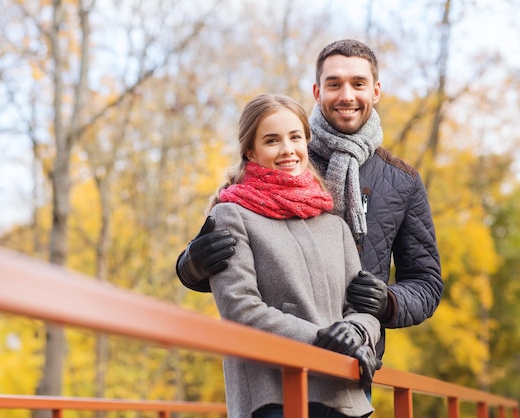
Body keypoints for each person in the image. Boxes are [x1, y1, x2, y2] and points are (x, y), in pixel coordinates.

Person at [176, 39, 444, 395]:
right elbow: (230, 262)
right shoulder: (286, 157)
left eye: (358, 84)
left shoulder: (402, 180)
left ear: (376, 91)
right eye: (334, 84)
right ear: (318, 91)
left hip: (353, 362)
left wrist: (387, 303)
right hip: (273, 369)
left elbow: (426, 282)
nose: (346, 95)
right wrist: (191, 265)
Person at [206, 93, 381, 418]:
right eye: (272, 140)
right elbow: (241, 309)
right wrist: (325, 339)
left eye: (295, 137)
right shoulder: (231, 215)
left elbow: (363, 308)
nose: (287, 149)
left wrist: (355, 332)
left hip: (345, 396)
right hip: (275, 397)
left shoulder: (335, 224)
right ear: (250, 151)